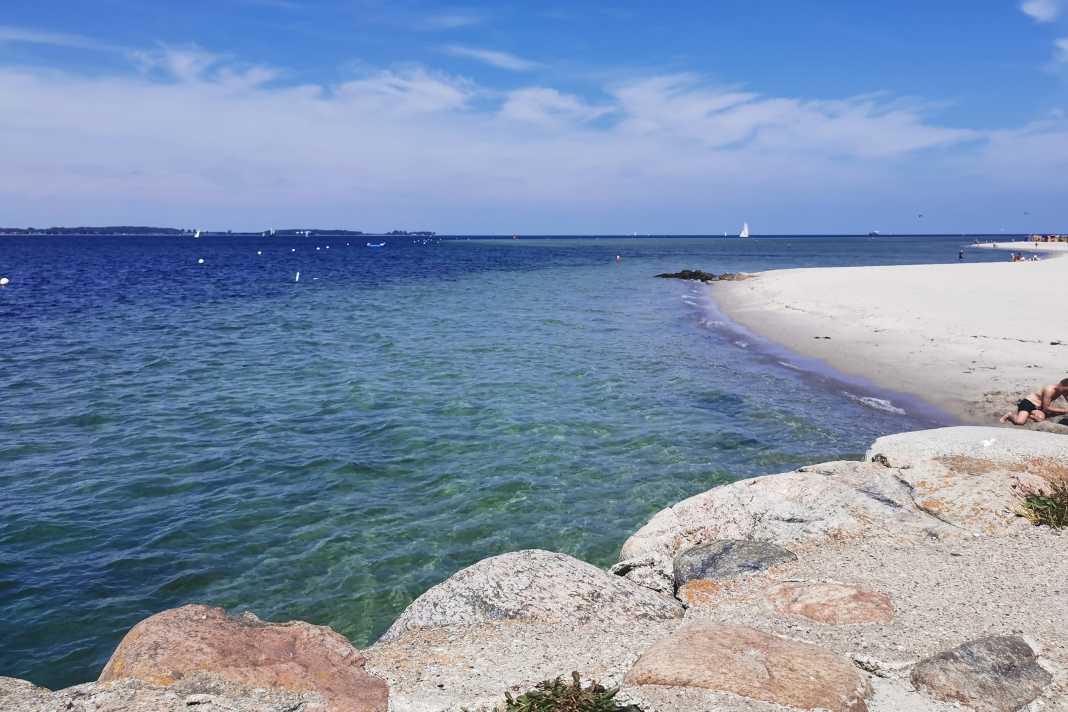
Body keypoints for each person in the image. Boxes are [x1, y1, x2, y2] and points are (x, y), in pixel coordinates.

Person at [1000, 379, 1068, 425]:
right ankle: (1010, 415)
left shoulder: (1061, 390)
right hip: (1028, 403)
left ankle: (1029, 414)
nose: (1066, 393)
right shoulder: (1049, 390)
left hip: (1038, 408)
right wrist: (1065, 410)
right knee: (1020, 422)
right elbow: (1046, 408)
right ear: (1060, 385)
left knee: (1040, 419)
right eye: (1065, 390)